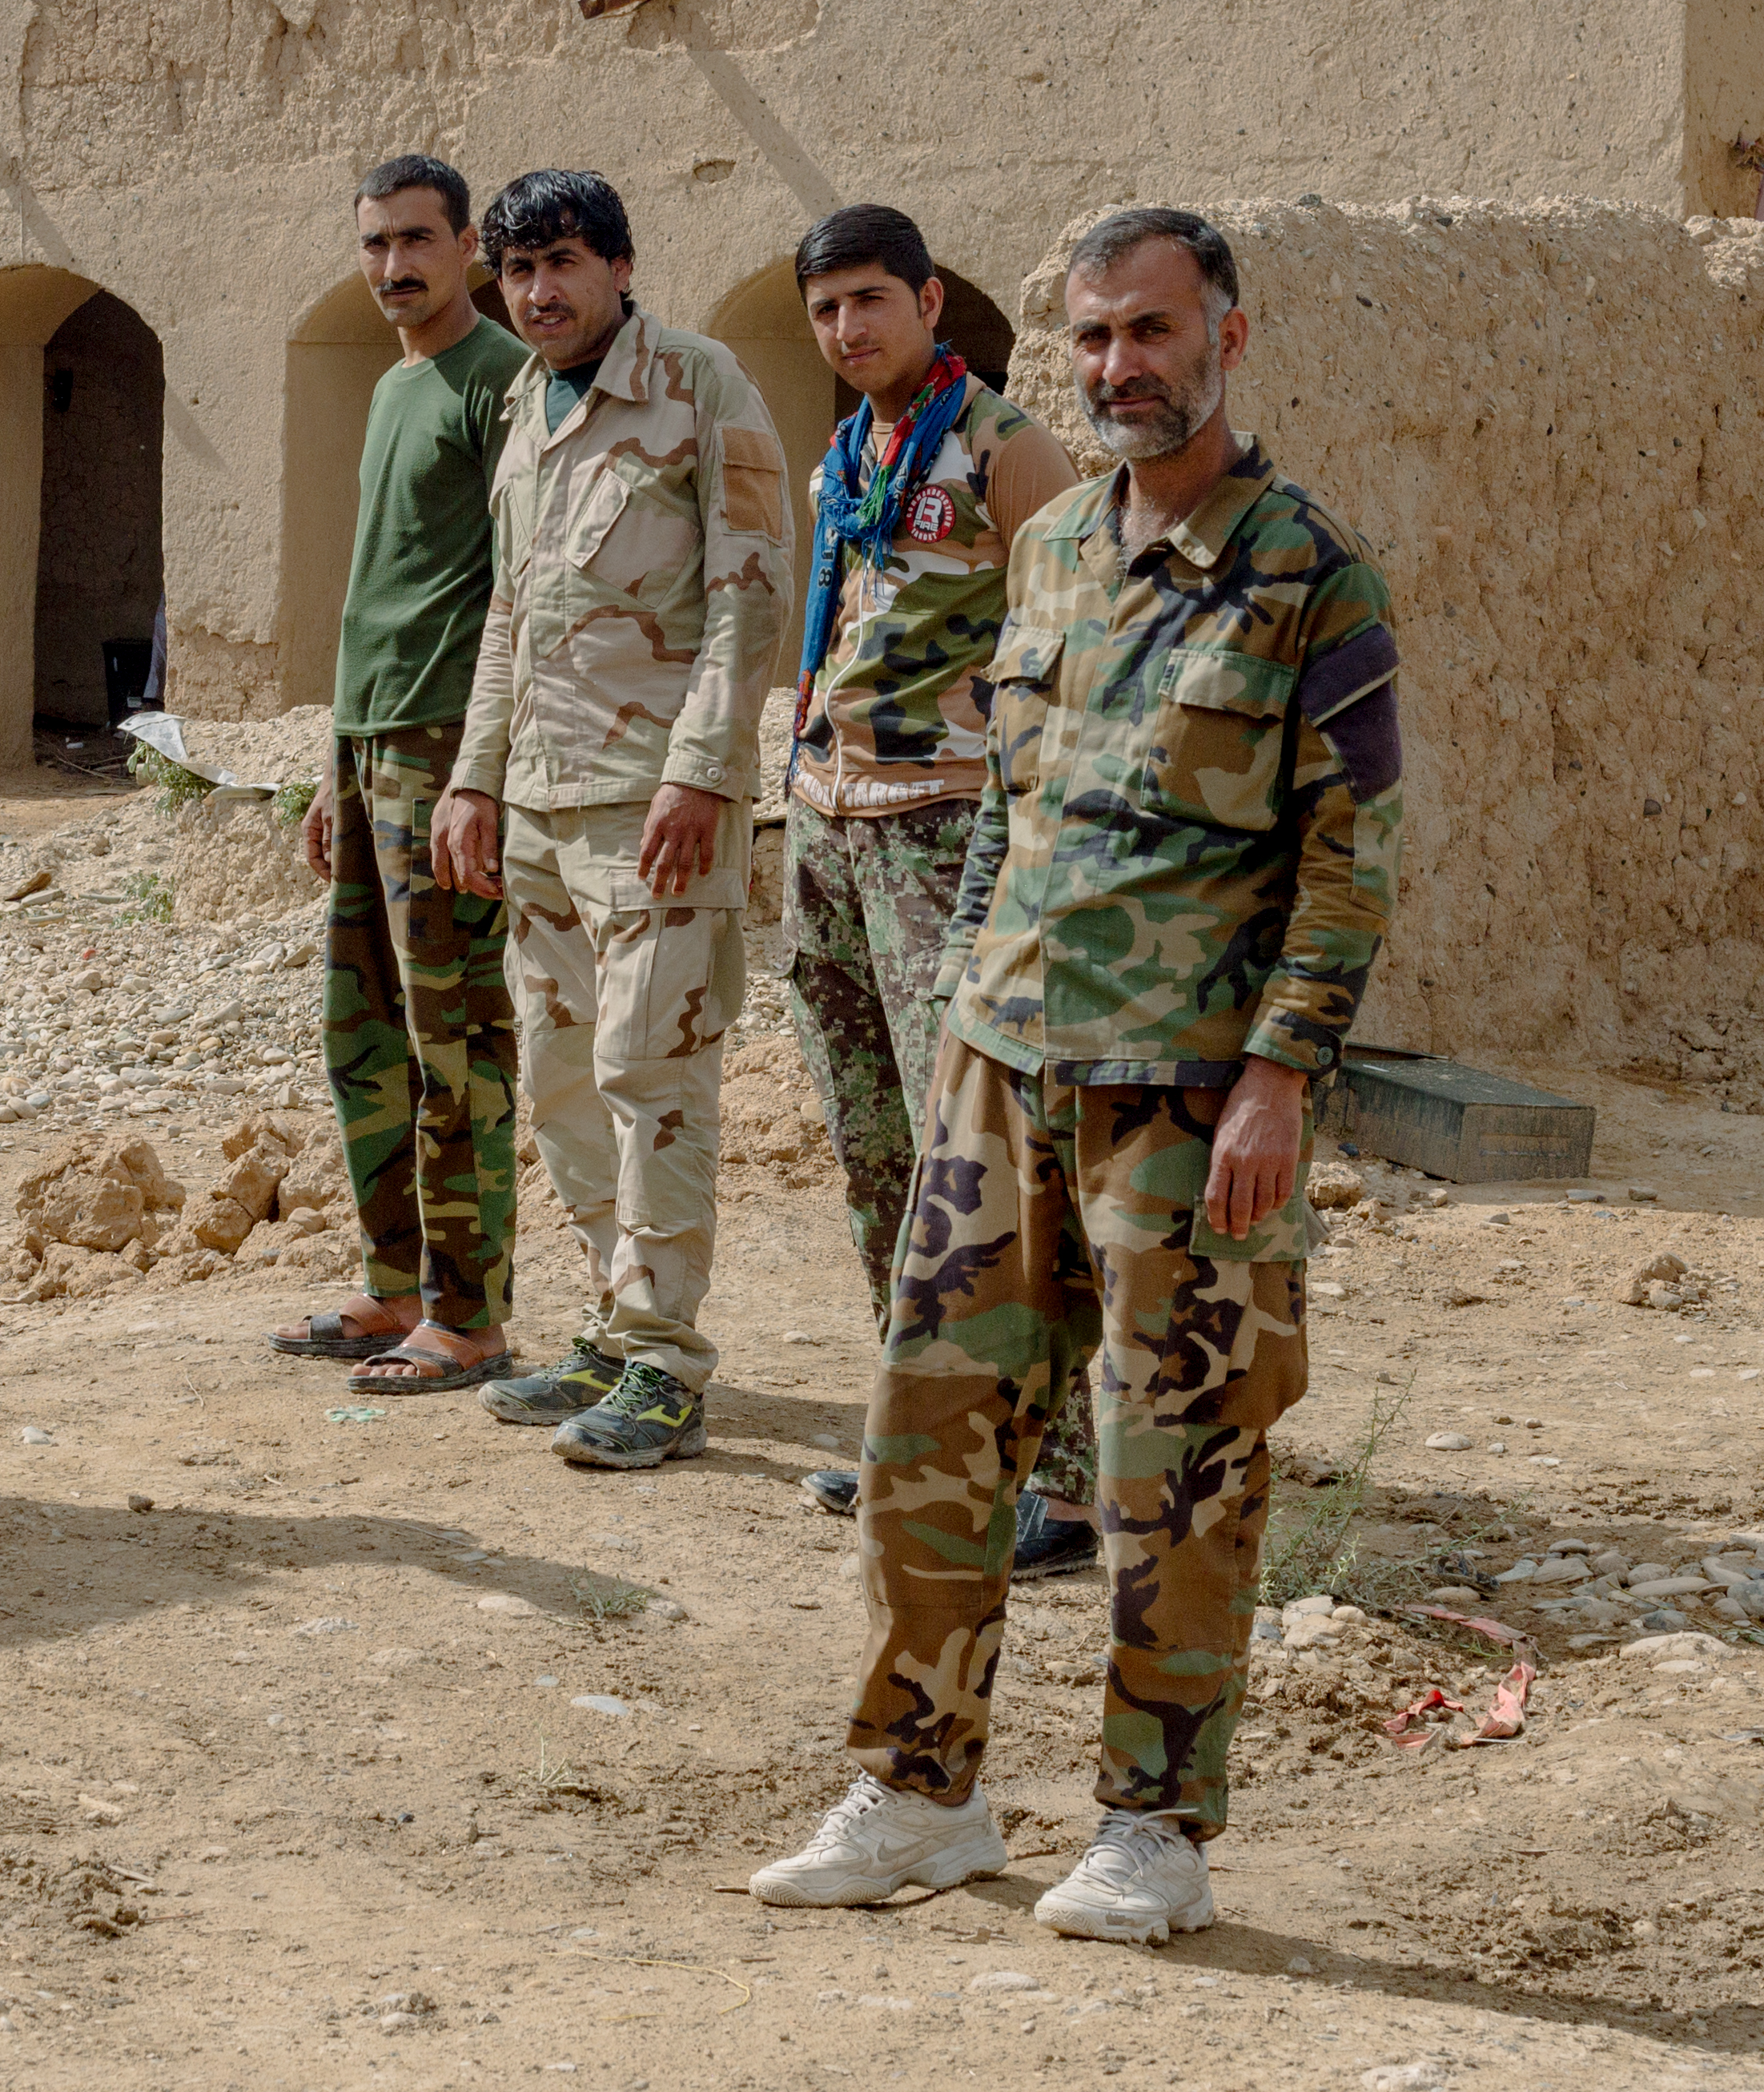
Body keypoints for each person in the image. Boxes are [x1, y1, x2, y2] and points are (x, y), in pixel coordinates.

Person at [751, 205, 1403, 1942]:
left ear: (1226, 340)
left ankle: (1154, 1829)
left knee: (1176, 1462)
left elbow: (1352, 862)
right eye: (1093, 338)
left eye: (1151, 332)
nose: (1119, 366)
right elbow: (1005, 818)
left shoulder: (1308, 572)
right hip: (1005, 1072)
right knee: (926, 1441)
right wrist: (965, 994)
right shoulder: (1044, 560)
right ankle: (919, 1794)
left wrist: (1279, 1079)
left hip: (1188, 1102)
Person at [432, 169, 790, 1471]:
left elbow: (755, 596)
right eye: (518, 272)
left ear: (620, 269)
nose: (539, 293)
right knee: (563, 1077)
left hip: (656, 807)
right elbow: (511, 617)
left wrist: (705, 774)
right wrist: (476, 779)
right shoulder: (529, 407)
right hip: (540, 803)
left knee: (656, 1076)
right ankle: (610, 1319)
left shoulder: (701, 384)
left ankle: (666, 1363)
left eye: (564, 264)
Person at [769, 207, 1090, 1579]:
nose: (849, 331)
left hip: (950, 831)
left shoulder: (1009, 452)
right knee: (877, 1160)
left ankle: (1064, 1481)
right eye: (826, 309)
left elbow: (1076, 643)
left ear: (929, 297)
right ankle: (929, 1437)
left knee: (980, 1163)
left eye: (869, 302)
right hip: (833, 827)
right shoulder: (855, 450)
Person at [270, 157, 535, 1398]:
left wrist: (479, 770)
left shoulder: (503, 384)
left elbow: (516, 593)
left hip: (446, 753)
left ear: (469, 245)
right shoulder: (392, 388)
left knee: (456, 1041)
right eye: (375, 244)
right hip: (371, 745)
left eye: (417, 240)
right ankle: (394, 1286)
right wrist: (334, 760)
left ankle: (470, 1314)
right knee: (361, 1033)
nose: (394, 267)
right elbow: (373, 592)